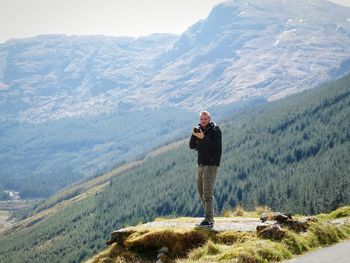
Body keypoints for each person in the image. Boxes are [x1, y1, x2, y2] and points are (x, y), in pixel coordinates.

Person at [189, 110, 222, 228]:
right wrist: (194, 135)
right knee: (201, 192)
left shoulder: (215, 130)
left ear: (210, 119)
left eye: (205, 119)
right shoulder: (199, 129)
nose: (203, 121)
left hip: (211, 165)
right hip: (201, 164)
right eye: (201, 119)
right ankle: (209, 217)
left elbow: (216, 146)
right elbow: (192, 146)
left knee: (207, 193)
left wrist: (203, 137)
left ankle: (209, 219)